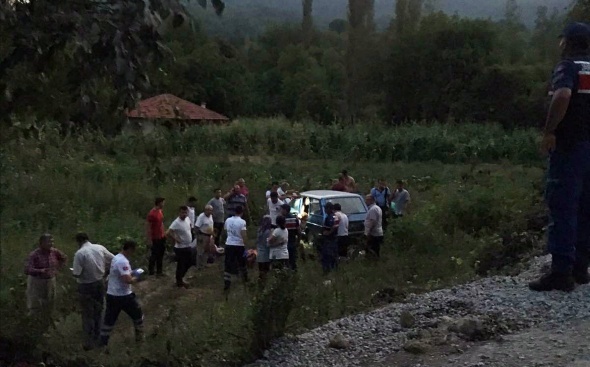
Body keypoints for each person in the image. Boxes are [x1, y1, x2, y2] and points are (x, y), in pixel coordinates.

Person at [529, 22, 590, 292]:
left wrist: (550, 130)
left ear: (567, 42)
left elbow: (563, 95)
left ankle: (561, 272)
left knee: (563, 204)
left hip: (570, 147)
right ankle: (581, 268)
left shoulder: (568, 67)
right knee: (585, 207)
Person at [72, 233, 114, 350]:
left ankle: (88, 341)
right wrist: (106, 271)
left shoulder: (79, 254)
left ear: (78, 242)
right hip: (100, 282)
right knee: (99, 309)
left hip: (85, 285)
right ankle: (99, 336)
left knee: (87, 313)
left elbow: (77, 273)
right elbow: (113, 259)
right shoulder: (99, 248)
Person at [99, 240, 144, 347]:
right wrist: (137, 276)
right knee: (138, 316)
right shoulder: (123, 262)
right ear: (130, 249)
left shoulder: (116, 258)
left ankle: (102, 343)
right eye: (133, 251)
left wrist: (131, 273)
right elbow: (127, 280)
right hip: (123, 296)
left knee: (109, 321)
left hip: (112, 294)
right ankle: (140, 341)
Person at [24, 234, 67, 316]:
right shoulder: (34, 254)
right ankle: (34, 323)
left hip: (50, 280)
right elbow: (27, 269)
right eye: (48, 242)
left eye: (52, 242)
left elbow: (64, 258)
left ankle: (47, 321)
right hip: (36, 281)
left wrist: (58, 268)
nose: (51, 244)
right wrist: (40, 271)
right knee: (35, 305)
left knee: (50, 303)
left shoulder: (54, 252)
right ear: (41, 243)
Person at [223, 205, 249, 292]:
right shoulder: (242, 222)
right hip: (239, 245)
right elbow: (243, 234)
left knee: (228, 264)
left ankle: (227, 283)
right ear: (242, 212)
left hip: (229, 244)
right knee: (242, 263)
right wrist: (246, 246)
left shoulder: (228, 220)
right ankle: (245, 279)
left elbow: (226, 231)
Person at [167, 206, 193, 288]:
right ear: (179, 213)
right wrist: (176, 239)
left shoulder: (187, 219)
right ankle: (179, 282)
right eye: (182, 212)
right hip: (180, 248)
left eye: (185, 212)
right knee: (181, 264)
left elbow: (189, 227)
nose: (184, 214)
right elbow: (168, 232)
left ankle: (181, 278)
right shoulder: (176, 222)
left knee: (190, 262)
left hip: (188, 245)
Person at [146, 197, 166, 276]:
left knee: (161, 254)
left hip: (161, 236)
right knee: (154, 254)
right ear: (159, 203)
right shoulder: (152, 213)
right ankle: (151, 271)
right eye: (163, 203)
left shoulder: (160, 211)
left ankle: (159, 271)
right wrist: (149, 238)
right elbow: (148, 226)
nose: (164, 204)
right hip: (155, 237)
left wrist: (164, 233)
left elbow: (161, 223)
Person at [321, 202, 339, 274]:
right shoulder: (335, 216)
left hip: (329, 240)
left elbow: (333, 227)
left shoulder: (330, 217)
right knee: (334, 256)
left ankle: (327, 271)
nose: (325, 210)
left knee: (327, 256)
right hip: (334, 239)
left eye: (326, 208)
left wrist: (328, 233)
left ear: (329, 209)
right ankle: (334, 270)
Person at [281, 203, 300, 270]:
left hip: (285, 242)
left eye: (282, 209)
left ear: (285, 210)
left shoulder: (283, 220)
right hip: (293, 241)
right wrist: (298, 241)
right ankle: (294, 271)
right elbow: (298, 231)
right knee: (293, 259)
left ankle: (287, 271)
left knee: (286, 259)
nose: (281, 211)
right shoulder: (295, 218)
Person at [195, 205, 215, 270]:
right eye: (208, 210)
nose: (209, 211)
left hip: (209, 236)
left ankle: (204, 264)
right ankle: (199, 266)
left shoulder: (211, 216)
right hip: (202, 235)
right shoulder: (201, 217)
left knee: (207, 250)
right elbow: (196, 227)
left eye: (211, 210)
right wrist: (198, 236)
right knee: (200, 251)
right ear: (205, 210)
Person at [256, 216, 273, 284]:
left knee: (261, 271)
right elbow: (268, 244)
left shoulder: (259, 230)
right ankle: (264, 285)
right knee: (266, 271)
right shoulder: (268, 232)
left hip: (259, 253)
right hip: (266, 254)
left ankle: (259, 284)